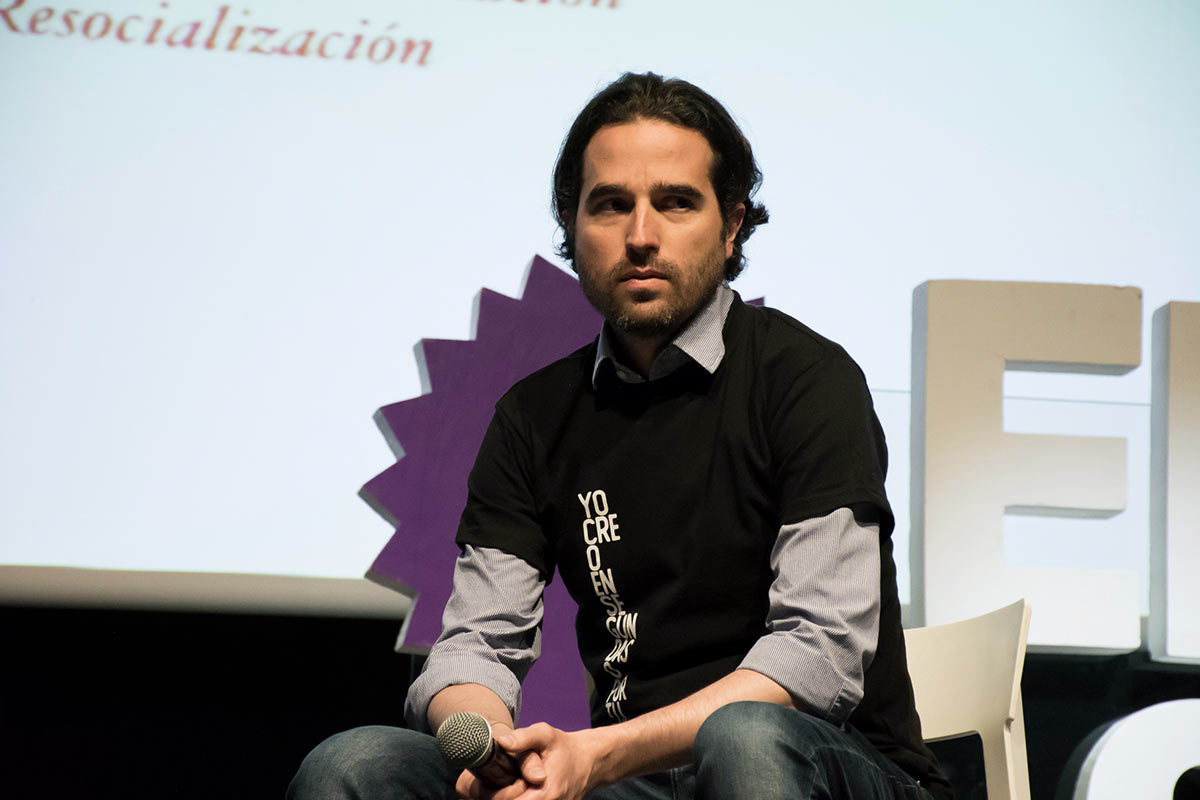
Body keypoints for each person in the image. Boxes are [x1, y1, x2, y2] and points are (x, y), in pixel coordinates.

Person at [289, 72, 953, 800]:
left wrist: (599, 755)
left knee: (745, 740)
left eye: (676, 203)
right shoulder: (534, 416)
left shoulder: (807, 381)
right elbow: (476, 643)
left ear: (732, 226)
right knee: (354, 766)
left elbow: (818, 655)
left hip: (828, 766)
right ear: (572, 227)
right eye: (610, 205)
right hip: (636, 781)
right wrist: (490, 745)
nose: (641, 237)